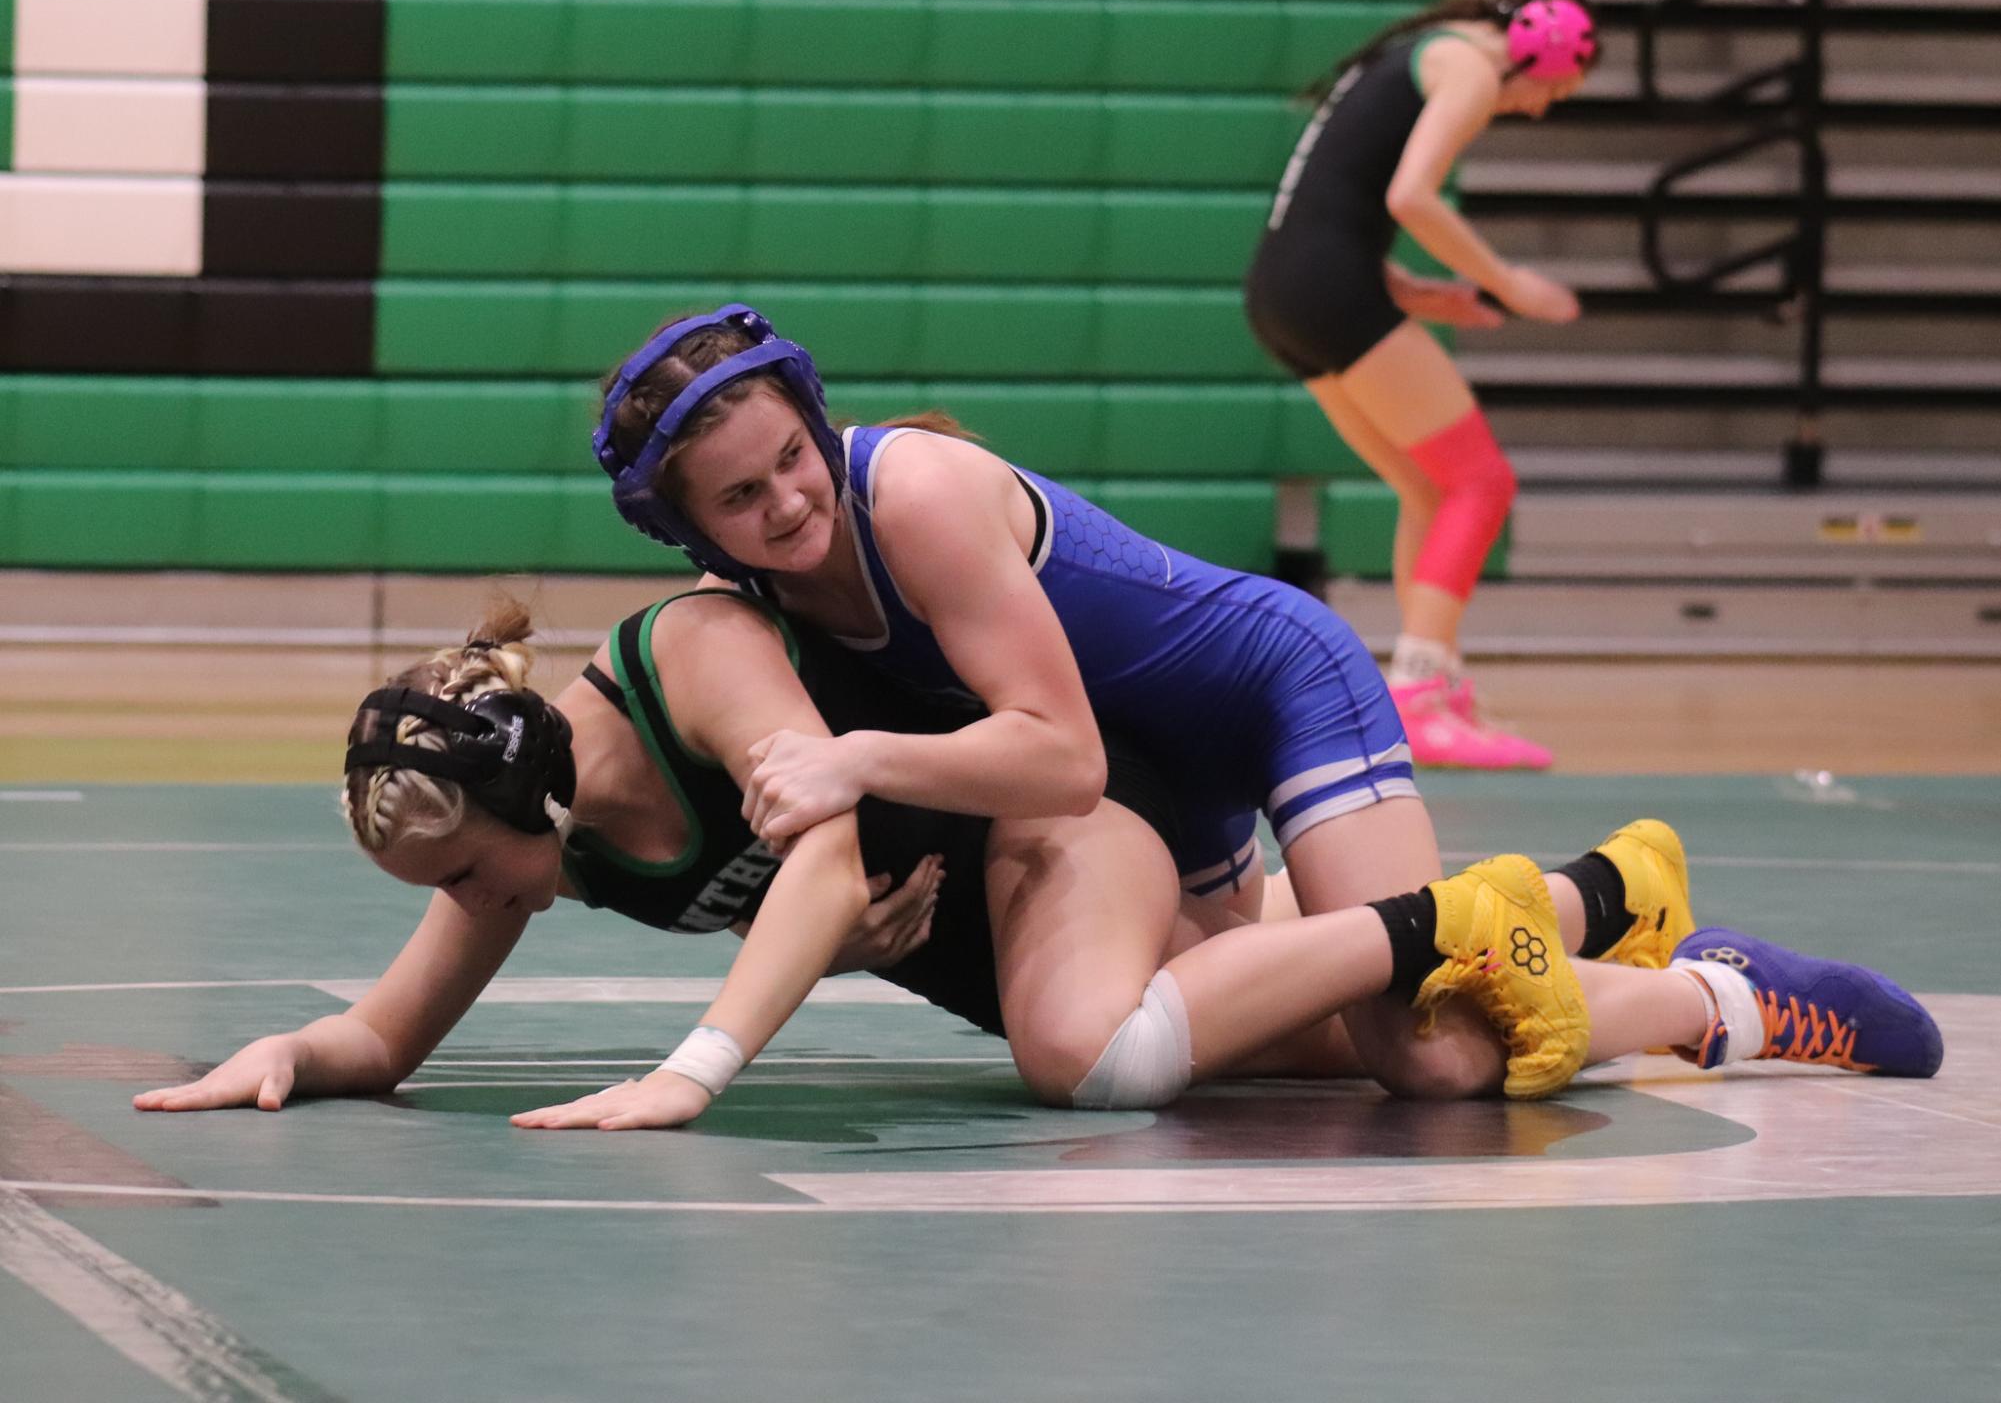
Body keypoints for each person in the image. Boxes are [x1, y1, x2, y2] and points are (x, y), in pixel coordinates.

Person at [585, 308, 1943, 1110]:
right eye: (739, 499)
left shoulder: (914, 495)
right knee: (1261, 1038)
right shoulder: (749, 603)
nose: (787, 504)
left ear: (817, 421)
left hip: (1263, 696)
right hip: (1149, 788)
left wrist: (850, 757)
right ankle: (1599, 898)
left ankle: (1722, 996)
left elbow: (1054, 758)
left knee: (1421, 1058)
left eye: (788, 460)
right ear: (682, 525)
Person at [132, 600, 1941, 1130]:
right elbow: (392, 1034)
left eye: (468, 880)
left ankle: (1472, 909)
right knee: (1439, 1058)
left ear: (526, 809)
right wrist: (294, 1055)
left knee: (1097, 1066)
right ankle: (1691, 971)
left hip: (1074, 847)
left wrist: (695, 1070)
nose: (468, 918)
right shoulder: (525, 837)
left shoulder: (687, 659)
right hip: (1015, 927)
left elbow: (831, 869)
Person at [1245, 0, 1601, 769]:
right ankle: (1416, 696)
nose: (1540, 110)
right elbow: (1410, 195)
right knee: (1481, 483)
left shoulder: (1418, 53)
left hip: (1286, 289)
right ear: (1539, 51)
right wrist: (1510, 283)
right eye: (1555, 92)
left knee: (1428, 487)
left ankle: (1426, 685)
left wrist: (1409, 291)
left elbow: (1336, 198)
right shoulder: (1469, 66)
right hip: (1330, 287)